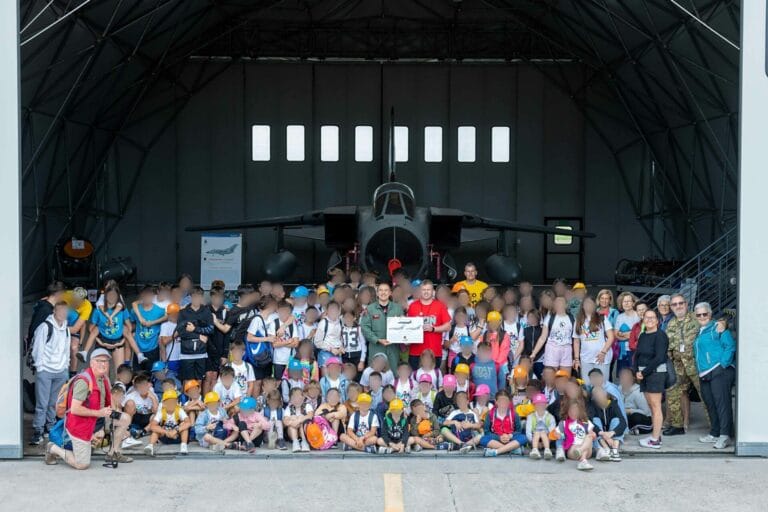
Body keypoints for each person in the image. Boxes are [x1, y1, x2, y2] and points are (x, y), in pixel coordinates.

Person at [45, 348, 133, 468]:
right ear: (91, 363)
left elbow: (109, 403)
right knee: (82, 464)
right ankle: (52, 448)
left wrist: (105, 426)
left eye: (106, 361)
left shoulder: (104, 378)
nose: (103, 364)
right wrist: (99, 416)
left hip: (98, 418)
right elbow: (75, 409)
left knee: (125, 418)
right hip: (80, 423)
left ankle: (113, 453)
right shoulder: (84, 381)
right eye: (99, 361)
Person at [693, 302, 736, 449]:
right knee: (710, 403)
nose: (702, 317)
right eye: (699, 315)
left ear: (710, 314)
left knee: (722, 403)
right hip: (704, 372)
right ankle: (715, 432)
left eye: (705, 314)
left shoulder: (717, 327)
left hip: (719, 371)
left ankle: (725, 435)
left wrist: (722, 365)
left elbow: (730, 346)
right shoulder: (700, 331)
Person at [30, 301, 71, 445]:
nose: (63, 314)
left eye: (65, 311)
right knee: (42, 403)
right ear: (54, 311)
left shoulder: (66, 329)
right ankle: (38, 430)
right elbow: (37, 349)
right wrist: (40, 368)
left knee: (54, 403)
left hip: (60, 372)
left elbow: (67, 350)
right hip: (45, 371)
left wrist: (65, 367)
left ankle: (50, 427)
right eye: (60, 311)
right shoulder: (45, 327)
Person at [664, 293, 703, 436]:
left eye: (681, 303)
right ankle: (677, 425)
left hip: (697, 365)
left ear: (686, 304)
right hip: (679, 366)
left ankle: (717, 429)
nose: (678, 306)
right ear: (671, 307)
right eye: (674, 304)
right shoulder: (671, 324)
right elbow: (668, 346)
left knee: (706, 396)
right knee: (674, 393)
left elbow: (712, 326)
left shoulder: (697, 318)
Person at [79, 284, 141, 372]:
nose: (112, 297)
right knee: (103, 372)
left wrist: (122, 341)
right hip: (102, 341)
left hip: (118, 342)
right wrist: (99, 341)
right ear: (105, 296)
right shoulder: (98, 310)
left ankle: (139, 355)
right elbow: (91, 329)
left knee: (119, 371)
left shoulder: (122, 310)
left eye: (114, 295)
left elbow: (129, 327)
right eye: (109, 295)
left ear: (118, 296)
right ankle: (85, 353)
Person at [634, 309, 669, 449]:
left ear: (657, 320)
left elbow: (659, 357)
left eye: (652, 317)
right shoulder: (643, 335)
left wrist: (644, 372)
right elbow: (637, 354)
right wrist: (636, 371)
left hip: (655, 374)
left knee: (656, 406)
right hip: (643, 374)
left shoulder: (660, 335)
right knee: (650, 406)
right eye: (646, 317)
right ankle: (656, 435)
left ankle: (655, 440)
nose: (649, 320)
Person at [361, 282, 405, 372]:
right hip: (376, 347)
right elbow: (364, 328)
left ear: (390, 293)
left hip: (393, 348)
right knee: (375, 373)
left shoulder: (398, 308)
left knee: (393, 373)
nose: (383, 292)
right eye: (380, 290)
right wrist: (377, 339)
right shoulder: (370, 309)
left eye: (386, 290)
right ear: (377, 293)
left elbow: (403, 326)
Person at [407, 281, 451, 370]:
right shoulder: (412, 306)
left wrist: (433, 329)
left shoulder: (440, 305)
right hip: (416, 351)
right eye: (424, 290)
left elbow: (448, 326)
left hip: (434, 351)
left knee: (433, 377)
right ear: (420, 291)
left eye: (428, 289)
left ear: (433, 291)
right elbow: (408, 326)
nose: (426, 292)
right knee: (416, 377)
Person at [175, 287, 214, 385]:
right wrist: (198, 336)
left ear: (202, 297)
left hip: (201, 352)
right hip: (186, 352)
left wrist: (194, 329)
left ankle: (198, 395)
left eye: (199, 297)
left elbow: (210, 329)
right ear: (191, 297)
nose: (197, 299)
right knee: (188, 381)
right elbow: (180, 331)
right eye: (194, 297)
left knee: (199, 380)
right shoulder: (183, 312)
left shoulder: (206, 312)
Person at [572, 296, 614, 381]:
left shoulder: (601, 318)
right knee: (587, 384)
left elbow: (611, 337)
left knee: (602, 384)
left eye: (591, 304)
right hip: (586, 358)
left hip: (602, 358)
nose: (589, 306)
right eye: (586, 303)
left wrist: (603, 352)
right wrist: (576, 359)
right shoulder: (578, 320)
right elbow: (576, 341)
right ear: (583, 306)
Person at [531, 297, 574, 374]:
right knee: (550, 375)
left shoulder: (571, 318)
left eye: (561, 302)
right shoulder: (549, 318)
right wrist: (534, 353)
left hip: (567, 349)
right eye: (557, 302)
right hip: (552, 348)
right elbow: (543, 337)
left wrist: (576, 357)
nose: (559, 304)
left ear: (566, 305)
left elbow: (575, 338)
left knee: (565, 376)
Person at [144, 389, 192, 456]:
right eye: (168, 402)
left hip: (177, 436)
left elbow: (188, 423)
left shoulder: (179, 410)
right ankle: (150, 446)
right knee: (156, 429)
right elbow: (152, 426)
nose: (171, 404)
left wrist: (176, 431)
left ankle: (183, 446)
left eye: (173, 402)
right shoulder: (161, 412)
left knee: (184, 425)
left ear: (176, 402)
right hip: (165, 436)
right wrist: (166, 432)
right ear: (163, 404)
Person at [480, 390, 526, 457]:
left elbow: (518, 431)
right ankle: (512, 449)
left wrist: (509, 436)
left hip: (510, 439)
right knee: (483, 439)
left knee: (523, 438)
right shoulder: (490, 414)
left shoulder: (514, 414)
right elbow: (487, 432)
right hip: (496, 440)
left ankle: (496, 452)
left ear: (509, 402)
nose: (503, 403)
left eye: (505, 401)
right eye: (500, 401)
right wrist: (499, 437)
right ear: (496, 402)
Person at [129, 286, 166, 370]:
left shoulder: (159, 311)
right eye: (145, 295)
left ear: (153, 296)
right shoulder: (135, 310)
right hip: (138, 348)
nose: (147, 297)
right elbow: (132, 324)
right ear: (141, 295)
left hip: (153, 348)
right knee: (137, 374)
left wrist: (153, 322)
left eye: (150, 295)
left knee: (152, 373)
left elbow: (168, 317)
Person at [557, 399, 596, 471]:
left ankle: (581, 453)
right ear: (567, 411)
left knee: (589, 437)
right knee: (577, 447)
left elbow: (592, 434)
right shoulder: (564, 423)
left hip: (586, 449)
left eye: (576, 410)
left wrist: (593, 434)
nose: (573, 412)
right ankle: (583, 461)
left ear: (580, 411)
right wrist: (558, 434)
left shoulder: (586, 423)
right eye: (571, 411)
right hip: (573, 450)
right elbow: (556, 434)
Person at [588, 387, 626, 461]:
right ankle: (606, 448)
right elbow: (589, 421)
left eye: (600, 393)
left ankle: (615, 449)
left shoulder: (613, 403)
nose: (598, 395)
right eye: (595, 394)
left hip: (612, 433)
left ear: (605, 393)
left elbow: (623, 422)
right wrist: (602, 433)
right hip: (600, 434)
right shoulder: (592, 405)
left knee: (616, 420)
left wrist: (612, 433)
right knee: (595, 420)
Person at [61, 286, 91, 375]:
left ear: (83, 300)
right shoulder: (66, 295)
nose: (75, 303)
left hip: (74, 326)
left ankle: (72, 373)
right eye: (74, 300)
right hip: (62, 322)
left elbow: (76, 328)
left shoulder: (87, 306)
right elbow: (52, 297)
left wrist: (80, 342)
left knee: (74, 348)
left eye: (78, 301)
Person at [619, 367, 652, 434]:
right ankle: (631, 430)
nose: (624, 378)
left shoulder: (638, 392)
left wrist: (630, 411)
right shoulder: (618, 389)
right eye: (622, 376)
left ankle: (634, 429)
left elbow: (646, 412)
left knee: (635, 417)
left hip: (643, 418)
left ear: (633, 378)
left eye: (626, 376)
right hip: (626, 416)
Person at [614, 292, 640, 372]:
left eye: (629, 301)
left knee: (634, 374)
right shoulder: (619, 317)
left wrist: (623, 334)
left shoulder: (638, 315)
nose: (626, 303)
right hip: (623, 351)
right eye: (624, 301)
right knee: (623, 374)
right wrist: (630, 335)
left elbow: (639, 334)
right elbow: (616, 335)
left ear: (633, 303)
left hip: (635, 350)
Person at [525, 393, 556, 459]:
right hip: (534, 438)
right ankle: (535, 449)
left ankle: (547, 449)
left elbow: (552, 431)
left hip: (547, 438)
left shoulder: (550, 417)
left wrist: (548, 441)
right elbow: (528, 431)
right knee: (537, 433)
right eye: (537, 405)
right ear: (534, 406)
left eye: (542, 404)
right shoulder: (530, 416)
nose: (540, 406)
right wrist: (532, 441)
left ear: (546, 405)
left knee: (543, 433)